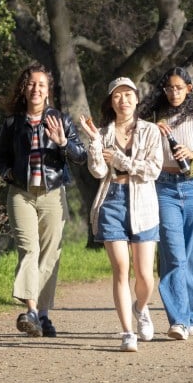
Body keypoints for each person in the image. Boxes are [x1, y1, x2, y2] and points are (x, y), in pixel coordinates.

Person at [0, 64, 87, 337]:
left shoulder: (61, 120)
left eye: (41, 85)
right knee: (29, 249)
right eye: (31, 84)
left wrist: (62, 142)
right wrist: (8, 173)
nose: (36, 89)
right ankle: (32, 311)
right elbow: (1, 158)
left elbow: (81, 155)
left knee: (50, 254)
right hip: (21, 194)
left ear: (48, 91)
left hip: (52, 194)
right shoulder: (12, 123)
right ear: (24, 89)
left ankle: (43, 315)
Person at [139, 67, 193, 340]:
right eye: (169, 88)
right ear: (163, 91)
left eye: (179, 87)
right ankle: (178, 320)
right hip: (163, 188)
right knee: (173, 255)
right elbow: (128, 134)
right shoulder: (153, 119)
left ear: (189, 88)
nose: (174, 92)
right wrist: (150, 129)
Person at [78, 77, 163, 352]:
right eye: (117, 96)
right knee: (120, 270)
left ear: (137, 99)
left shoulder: (150, 131)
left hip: (143, 204)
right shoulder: (103, 133)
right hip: (111, 202)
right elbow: (99, 172)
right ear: (110, 101)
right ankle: (128, 332)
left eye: (128, 95)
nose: (123, 100)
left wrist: (122, 161)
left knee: (145, 275)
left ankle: (141, 307)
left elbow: (153, 169)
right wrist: (93, 143)